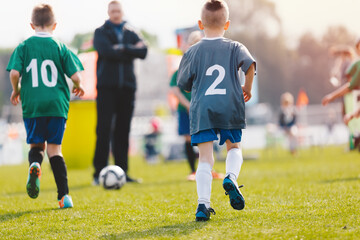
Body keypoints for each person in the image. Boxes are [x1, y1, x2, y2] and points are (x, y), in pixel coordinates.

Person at [177, 0, 256, 221]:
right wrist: (247, 88)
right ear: (227, 24)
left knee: (205, 158)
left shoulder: (192, 51)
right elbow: (250, 65)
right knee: (234, 147)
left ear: (200, 24)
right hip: (230, 104)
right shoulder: (235, 47)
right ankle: (230, 176)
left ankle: (203, 205)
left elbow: (184, 82)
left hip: (203, 108)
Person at [6, 4, 85, 208]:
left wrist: (16, 89)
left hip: (33, 104)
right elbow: (76, 75)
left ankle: (35, 164)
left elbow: (14, 73)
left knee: (36, 145)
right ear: (55, 25)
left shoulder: (24, 47)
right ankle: (64, 197)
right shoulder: (60, 46)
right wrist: (79, 85)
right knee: (55, 149)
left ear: (32, 25)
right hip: (57, 104)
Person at [92, 0, 147, 184]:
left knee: (123, 131)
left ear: (122, 12)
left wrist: (122, 48)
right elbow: (107, 52)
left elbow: (144, 51)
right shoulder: (100, 32)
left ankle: (122, 172)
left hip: (127, 88)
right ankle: (98, 172)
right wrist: (131, 50)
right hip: (107, 88)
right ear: (108, 12)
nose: (115, 13)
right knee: (104, 129)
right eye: (112, 10)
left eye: (118, 10)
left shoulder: (131, 32)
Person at [170, 30, 224, 181]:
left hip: (203, 108)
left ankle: (209, 169)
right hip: (186, 109)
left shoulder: (208, 66)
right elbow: (174, 88)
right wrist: (187, 104)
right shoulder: (183, 65)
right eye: (193, 43)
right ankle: (193, 171)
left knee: (208, 137)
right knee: (188, 138)